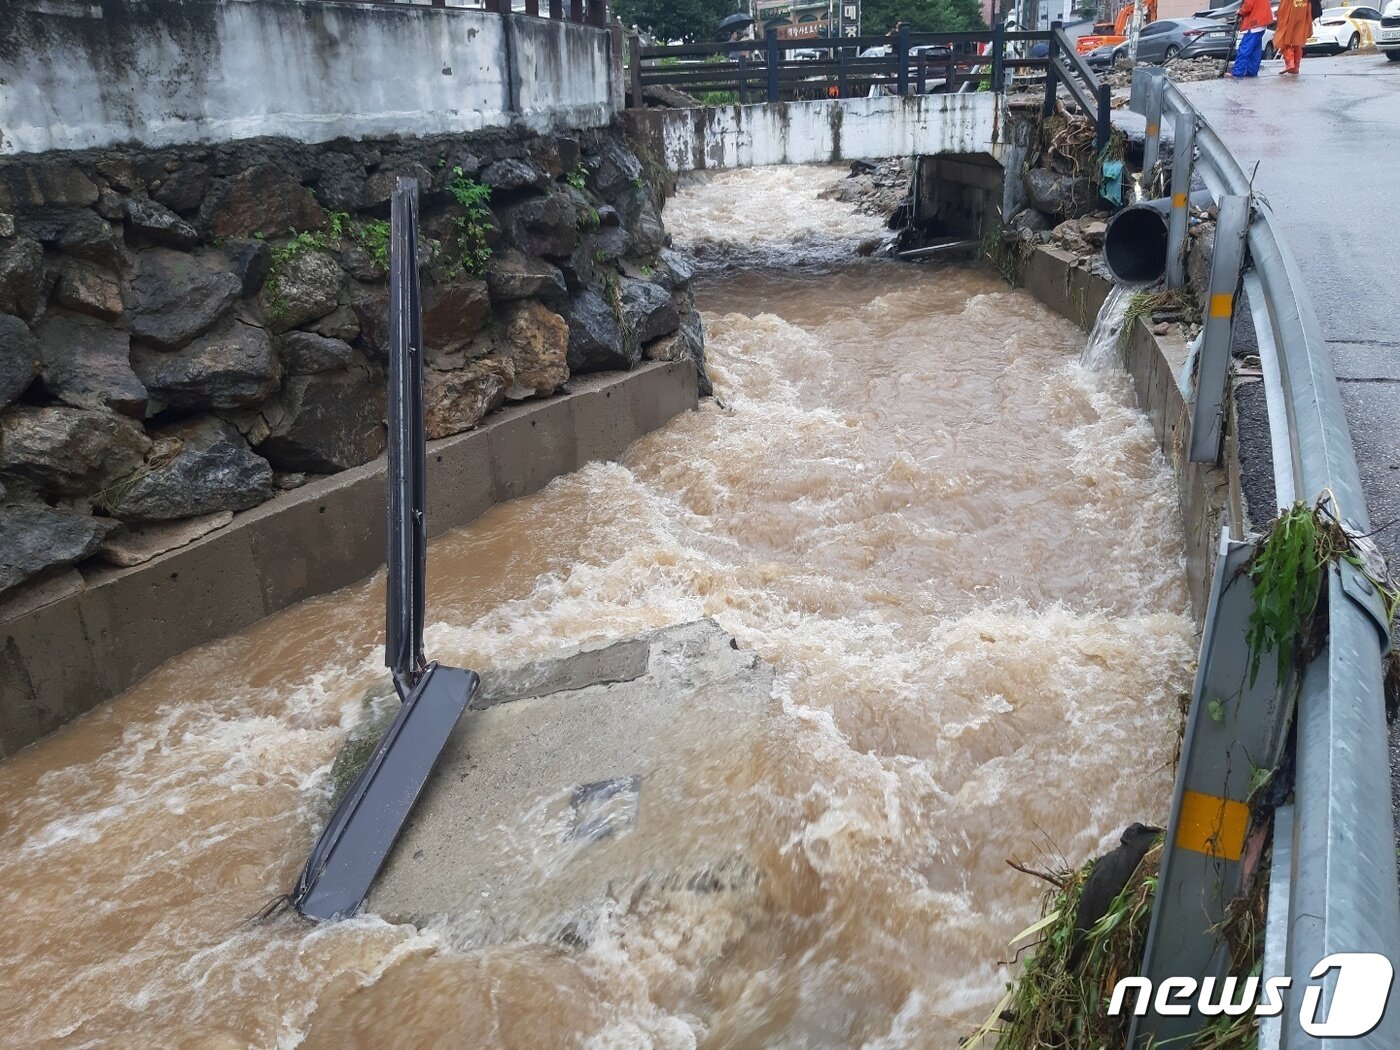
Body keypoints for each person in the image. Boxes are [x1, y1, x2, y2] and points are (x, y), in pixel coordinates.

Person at [1227, 0, 1273, 77]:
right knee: (1255, 50)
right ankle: (1252, 71)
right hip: (1262, 22)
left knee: (1244, 49)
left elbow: (1248, 5)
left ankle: (1237, 72)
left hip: (1254, 23)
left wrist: (1240, 12)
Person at [1272, 0, 1314, 73]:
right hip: (1301, 19)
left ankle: (1290, 63)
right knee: (1297, 42)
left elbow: (1283, 10)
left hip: (1289, 21)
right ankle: (1296, 67)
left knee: (1283, 40)